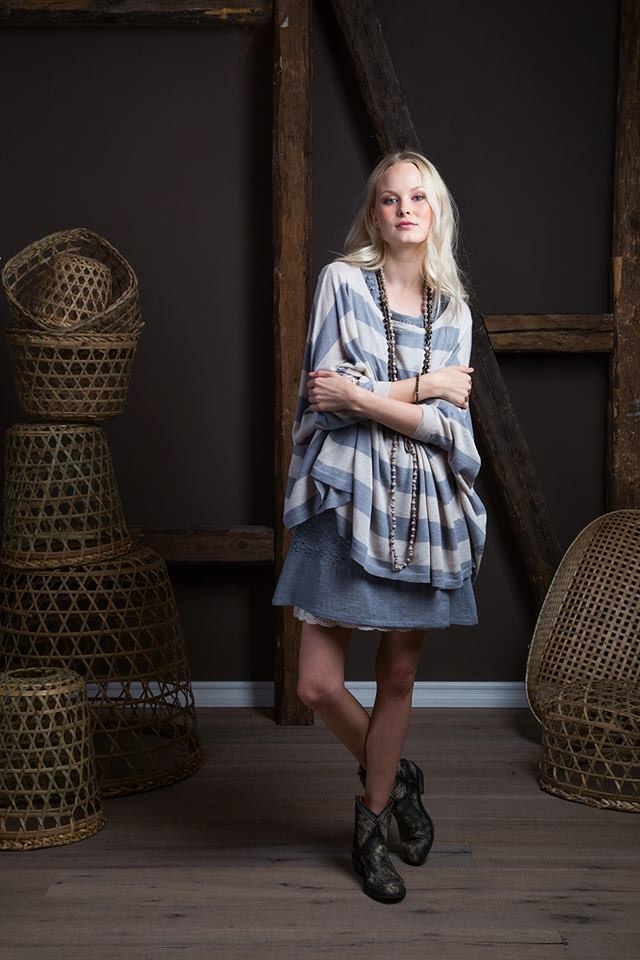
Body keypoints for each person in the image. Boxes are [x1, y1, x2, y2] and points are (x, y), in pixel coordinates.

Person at [272, 150, 487, 903]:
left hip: (423, 510)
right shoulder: (341, 281)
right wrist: (424, 387)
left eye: (418, 198)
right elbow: (324, 399)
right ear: (374, 213)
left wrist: (366, 397)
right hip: (345, 497)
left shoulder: (453, 312)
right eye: (391, 199)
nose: (404, 210)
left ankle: (369, 826)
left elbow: (451, 433)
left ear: (436, 212)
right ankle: (396, 777)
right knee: (316, 683)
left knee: (397, 675)